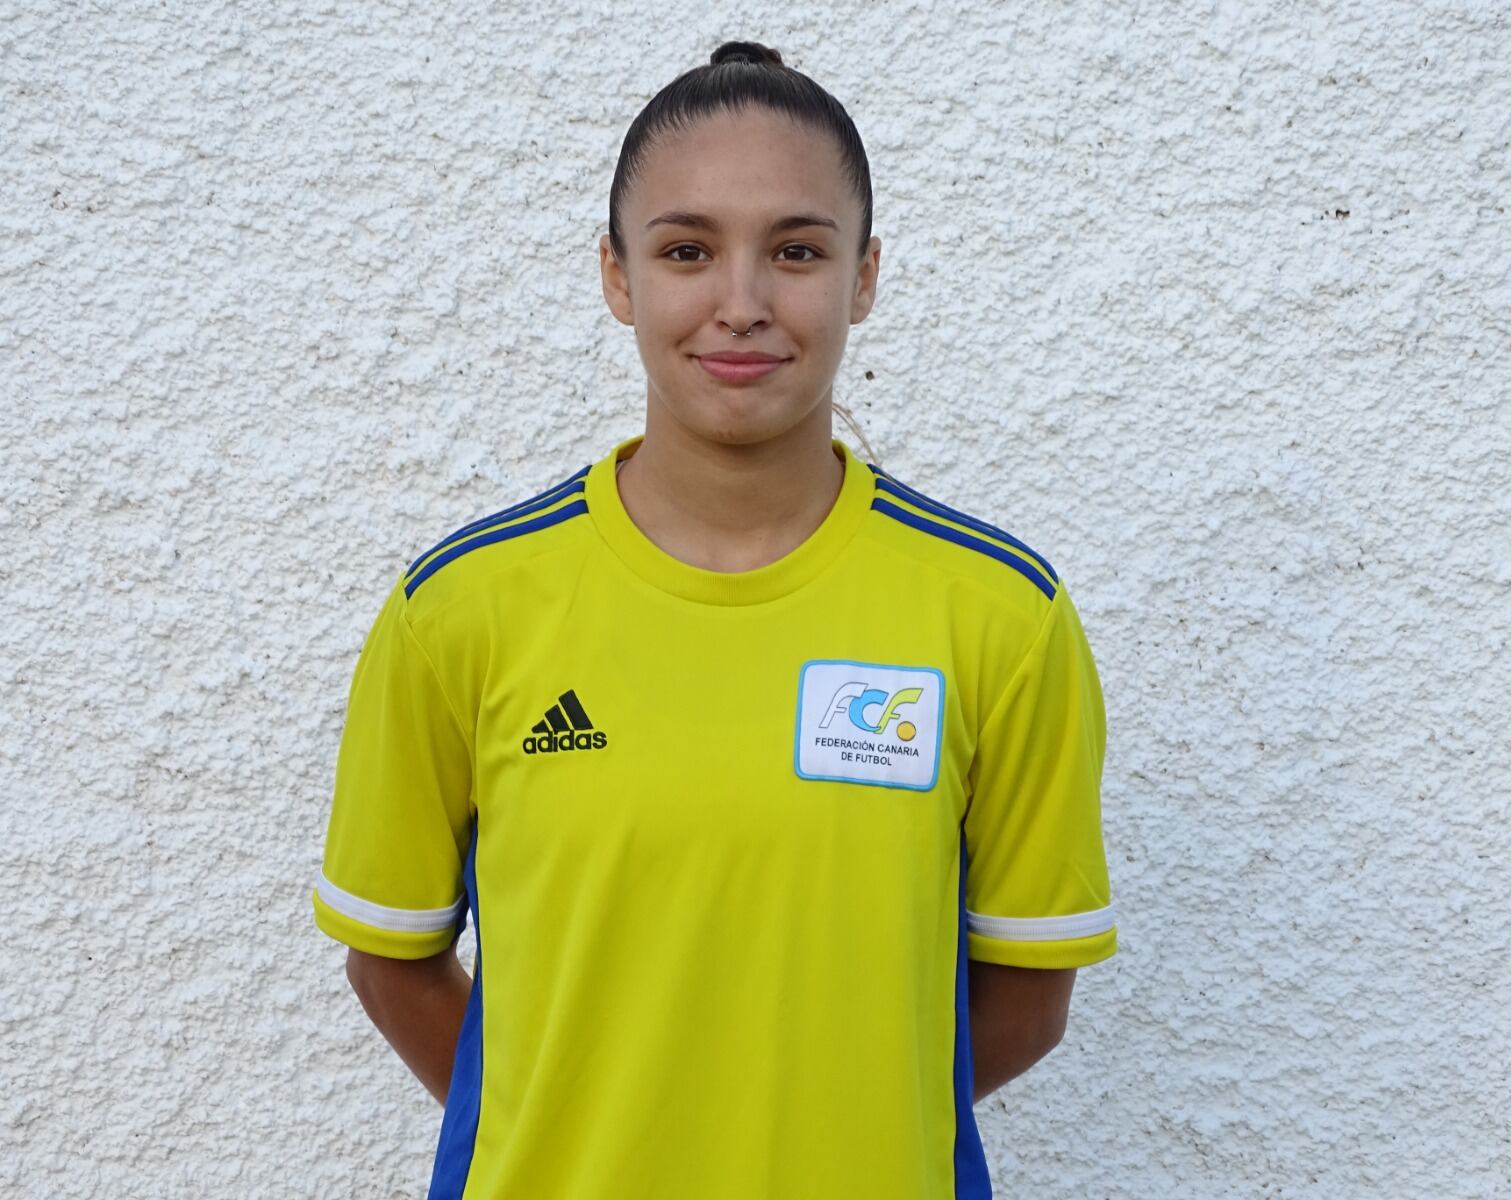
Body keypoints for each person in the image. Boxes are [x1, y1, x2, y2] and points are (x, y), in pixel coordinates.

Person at [311, 39, 1115, 1200]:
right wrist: (583, 1118)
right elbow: (391, 960)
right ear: (618, 277)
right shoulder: (463, 610)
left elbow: (1029, 1001)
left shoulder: (997, 616)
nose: (740, 305)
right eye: (687, 250)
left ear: (866, 277)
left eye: (796, 251)